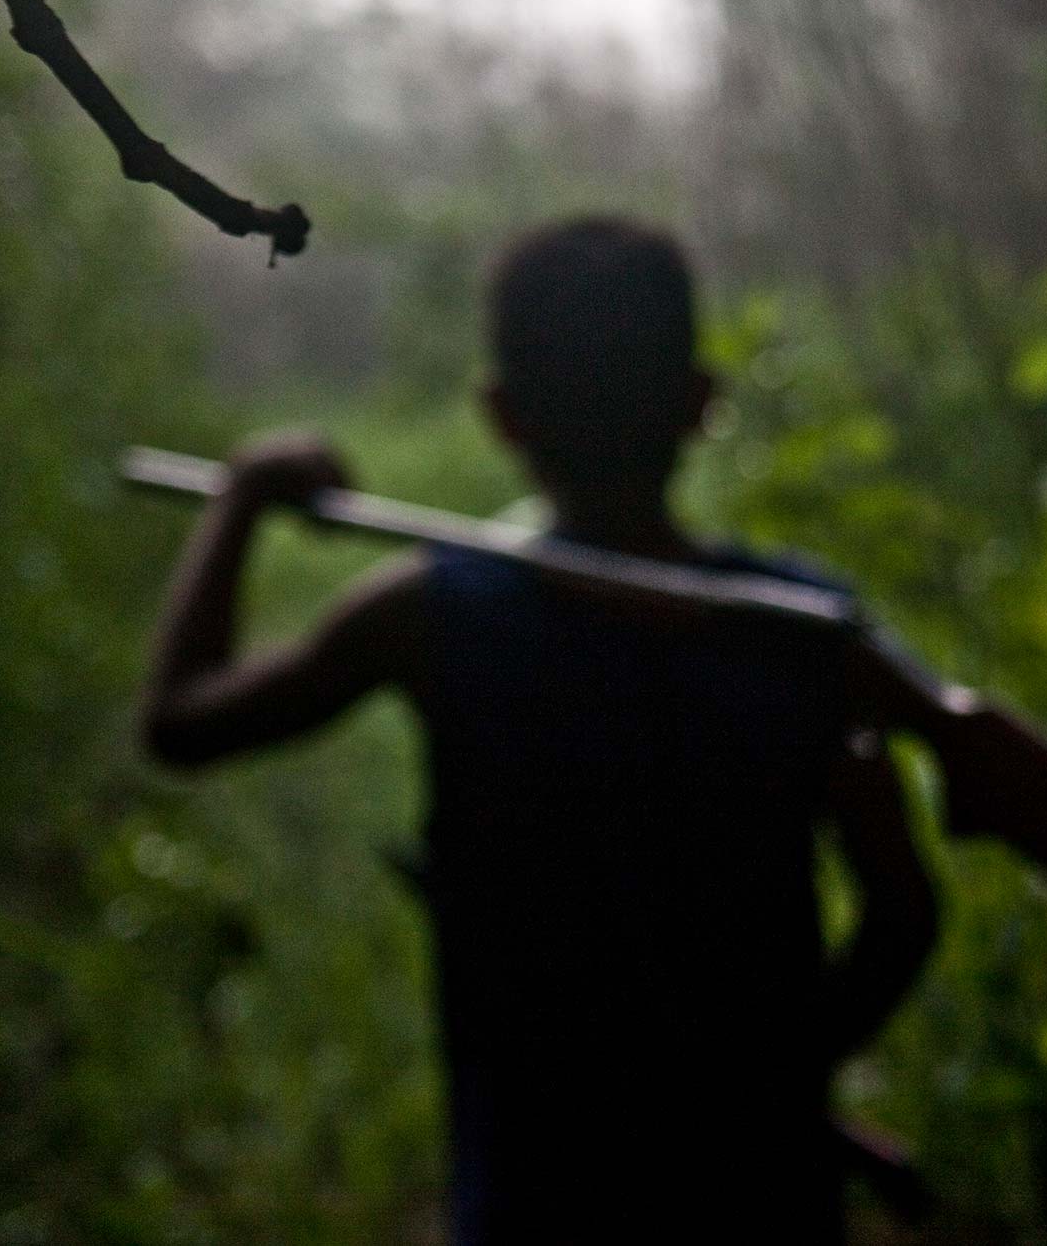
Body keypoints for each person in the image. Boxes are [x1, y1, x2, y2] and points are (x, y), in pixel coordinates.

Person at [140, 217, 940, 1242]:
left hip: (533, 1199)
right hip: (762, 1197)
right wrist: (771, 1083)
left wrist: (243, 497)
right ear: (700, 402)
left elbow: (182, 722)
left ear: (502, 415)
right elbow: (902, 913)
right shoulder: (801, 632)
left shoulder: (435, 616)